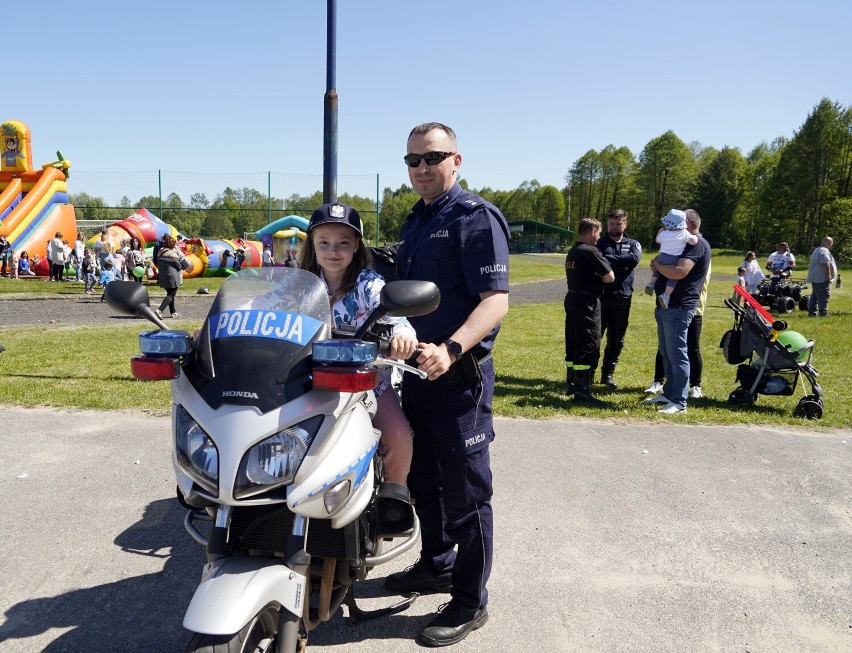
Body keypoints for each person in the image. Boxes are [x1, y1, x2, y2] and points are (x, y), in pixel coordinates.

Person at [384, 122, 509, 647]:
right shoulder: (416, 219)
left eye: (431, 158)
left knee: (466, 491)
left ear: (456, 159)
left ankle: (469, 598)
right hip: (416, 376)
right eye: (412, 160)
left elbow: (495, 300)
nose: (420, 169)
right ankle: (436, 564)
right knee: (424, 481)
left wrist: (453, 347)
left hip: (458, 377)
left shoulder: (474, 218)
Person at [299, 201, 418, 507]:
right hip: (305, 380)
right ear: (312, 246)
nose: (333, 251)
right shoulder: (298, 284)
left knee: (400, 438)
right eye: (323, 242)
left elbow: (393, 312)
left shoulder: (367, 283)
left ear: (356, 247)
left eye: (343, 243)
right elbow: (262, 306)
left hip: (366, 383)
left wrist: (402, 332)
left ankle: (394, 499)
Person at [645, 208, 711, 414]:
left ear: (688, 225)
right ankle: (669, 393)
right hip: (667, 305)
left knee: (677, 353)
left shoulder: (697, 244)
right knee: (666, 352)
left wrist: (657, 263)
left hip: (680, 305)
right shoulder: (681, 242)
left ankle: (680, 402)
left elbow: (679, 272)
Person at [564, 218, 615, 404]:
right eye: (599, 232)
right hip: (587, 302)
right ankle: (582, 390)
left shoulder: (573, 251)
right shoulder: (590, 251)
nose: (599, 237)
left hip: (572, 298)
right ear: (593, 231)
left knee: (573, 341)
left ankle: (571, 383)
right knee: (589, 343)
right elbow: (610, 277)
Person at [595, 208, 641, 388]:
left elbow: (633, 260)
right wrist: (621, 263)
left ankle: (607, 374)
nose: (614, 227)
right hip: (601, 297)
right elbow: (599, 260)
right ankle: (589, 373)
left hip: (623, 298)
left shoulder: (633, 244)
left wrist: (610, 259)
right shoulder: (600, 243)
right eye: (611, 224)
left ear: (625, 224)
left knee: (617, 339)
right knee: (595, 337)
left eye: (618, 223)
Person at [644, 209, 698, 309]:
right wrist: (695, 237)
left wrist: (661, 231)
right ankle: (666, 295)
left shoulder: (664, 233)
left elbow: (657, 240)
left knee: (657, 270)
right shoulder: (684, 233)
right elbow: (693, 241)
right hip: (673, 259)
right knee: (673, 278)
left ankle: (651, 283)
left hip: (662, 256)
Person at [155, 235, 187, 318]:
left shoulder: (160, 252)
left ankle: (173, 312)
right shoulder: (173, 254)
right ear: (172, 244)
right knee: (171, 294)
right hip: (172, 277)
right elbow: (178, 267)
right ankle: (159, 310)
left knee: (169, 293)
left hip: (162, 276)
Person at [806, 236, 836, 317]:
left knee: (815, 296)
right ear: (828, 243)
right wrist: (828, 276)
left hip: (815, 278)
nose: (831, 246)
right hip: (821, 278)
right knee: (824, 295)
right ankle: (823, 313)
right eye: (831, 244)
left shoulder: (817, 249)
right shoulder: (824, 251)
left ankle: (812, 312)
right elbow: (825, 263)